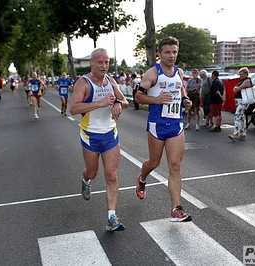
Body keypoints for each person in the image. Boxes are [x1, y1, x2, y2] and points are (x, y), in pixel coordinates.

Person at [70, 48, 129, 231]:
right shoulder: (83, 82)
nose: (104, 66)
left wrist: (118, 103)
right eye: (100, 62)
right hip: (90, 135)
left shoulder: (110, 81)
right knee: (93, 172)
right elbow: (73, 109)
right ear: (92, 63)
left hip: (110, 134)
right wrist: (100, 103)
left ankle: (111, 218)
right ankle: (85, 179)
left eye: (107, 62)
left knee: (111, 174)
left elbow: (125, 101)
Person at [134, 36, 192, 222]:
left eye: (174, 52)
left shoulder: (179, 71)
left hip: (176, 124)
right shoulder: (152, 73)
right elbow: (137, 97)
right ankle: (142, 178)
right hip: (157, 124)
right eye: (167, 52)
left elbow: (180, 88)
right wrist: (156, 100)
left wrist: (185, 100)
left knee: (175, 165)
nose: (171, 55)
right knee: (154, 162)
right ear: (159, 53)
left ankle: (176, 209)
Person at [228, 67, 252, 141]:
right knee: (241, 117)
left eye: (241, 74)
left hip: (243, 101)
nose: (240, 76)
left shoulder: (247, 80)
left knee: (237, 115)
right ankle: (242, 133)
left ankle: (236, 133)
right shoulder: (241, 80)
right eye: (239, 74)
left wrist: (237, 88)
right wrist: (236, 88)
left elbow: (238, 88)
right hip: (239, 101)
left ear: (246, 74)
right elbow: (236, 88)